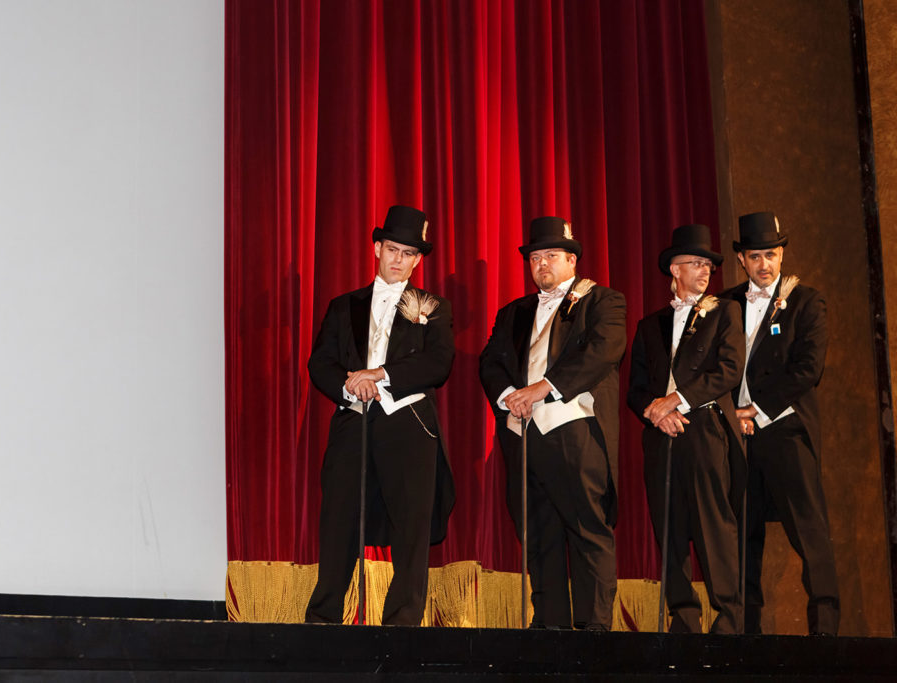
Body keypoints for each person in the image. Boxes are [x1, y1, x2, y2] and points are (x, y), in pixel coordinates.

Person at [305, 205, 456, 626]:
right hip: (353, 419)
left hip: (408, 423)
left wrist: (382, 374)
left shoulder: (434, 307)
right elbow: (320, 363)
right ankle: (322, 621)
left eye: (409, 253)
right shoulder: (343, 306)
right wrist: (351, 383)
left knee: (411, 529)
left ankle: (402, 626)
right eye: (392, 249)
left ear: (418, 259)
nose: (399, 259)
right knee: (338, 521)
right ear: (376, 248)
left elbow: (438, 364)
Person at [479, 216, 625, 630]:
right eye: (535, 257)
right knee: (538, 534)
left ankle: (594, 631)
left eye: (551, 256)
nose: (541, 264)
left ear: (572, 260)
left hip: (574, 429)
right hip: (522, 433)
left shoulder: (603, 301)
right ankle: (549, 628)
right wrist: (511, 397)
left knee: (586, 530)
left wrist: (543, 389)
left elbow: (603, 351)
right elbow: (490, 361)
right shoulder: (514, 312)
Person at [721, 211, 839, 635]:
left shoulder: (807, 301)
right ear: (742, 260)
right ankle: (745, 631)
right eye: (755, 257)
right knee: (742, 535)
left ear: (782, 254)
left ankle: (825, 630)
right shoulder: (726, 303)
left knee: (809, 531)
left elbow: (808, 370)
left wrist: (758, 408)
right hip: (739, 435)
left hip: (786, 429)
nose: (764, 265)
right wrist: (732, 414)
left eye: (770, 255)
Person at [626, 223, 746, 634]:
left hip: (703, 426)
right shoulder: (649, 325)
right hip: (660, 434)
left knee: (714, 522)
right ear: (674, 270)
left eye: (708, 264)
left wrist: (676, 400)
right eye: (695, 263)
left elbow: (729, 370)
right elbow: (637, 388)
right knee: (669, 524)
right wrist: (656, 412)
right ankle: (684, 614)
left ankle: (730, 617)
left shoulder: (726, 312)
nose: (705, 270)